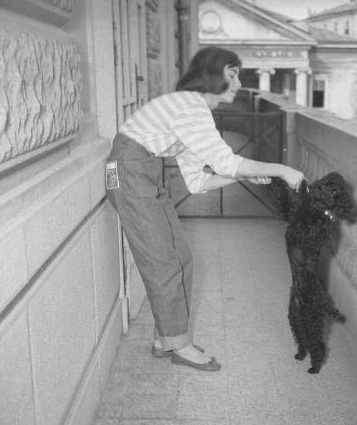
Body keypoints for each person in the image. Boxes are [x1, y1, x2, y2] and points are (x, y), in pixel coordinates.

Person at [105, 46, 305, 372]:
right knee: (163, 261)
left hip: (141, 171)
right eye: (232, 74)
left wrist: (245, 176)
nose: (239, 83)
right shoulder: (190, 108)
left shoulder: (192, 111)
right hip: (129, 173)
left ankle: (165, 337)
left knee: (179, 255)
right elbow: (227, 160)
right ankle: (180, 346)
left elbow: (197, 182)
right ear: (212, 76)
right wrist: (283, 170)